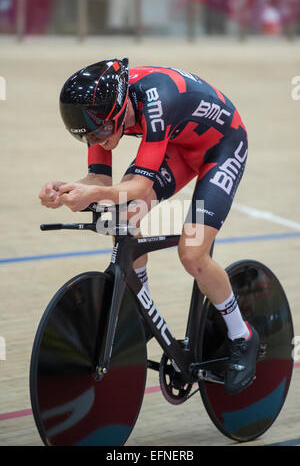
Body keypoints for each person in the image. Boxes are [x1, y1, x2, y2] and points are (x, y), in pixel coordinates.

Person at [39, 57, 259, 394]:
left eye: (101, 133)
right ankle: (140, 305)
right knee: (123, 215)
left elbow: (138, 188)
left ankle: (241, 334)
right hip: (180, 144)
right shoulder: (99, 111)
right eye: (90, 136)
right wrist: (66, 190)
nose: (98, 140)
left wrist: (95, 192)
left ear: (118, 109)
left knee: (192, 254)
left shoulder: (158, 100)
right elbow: (99, 179)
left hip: (222, 147)